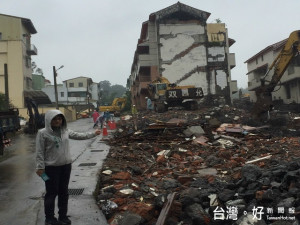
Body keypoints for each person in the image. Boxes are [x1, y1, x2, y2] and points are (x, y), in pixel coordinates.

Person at [35, 109, 101, 225]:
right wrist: (40, 167)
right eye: (54, 119)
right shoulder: (42, 133)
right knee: (51, 192)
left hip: (65, 166)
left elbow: (80, 135)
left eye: (59, 119)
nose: (57, 121)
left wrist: (93, 133)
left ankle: (63, 216)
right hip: (51, 168)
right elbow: (39, 152)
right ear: (48, 120)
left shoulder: (65, 131)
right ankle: (49, 218)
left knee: (64, 192)